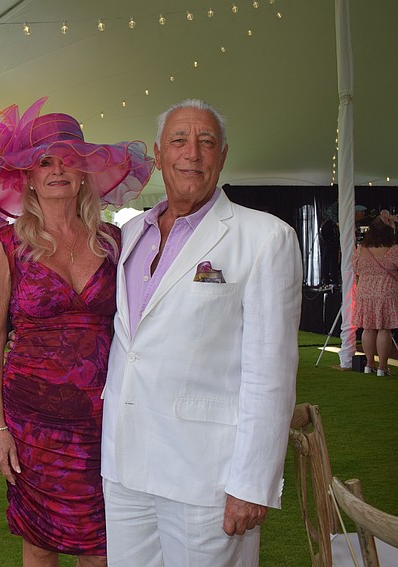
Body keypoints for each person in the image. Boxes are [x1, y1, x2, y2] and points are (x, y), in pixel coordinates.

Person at [101, 99, 302, 566]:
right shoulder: (128, 236)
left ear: (223, 156)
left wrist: (251, 482)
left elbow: (270, 373)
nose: (192, 152)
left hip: (206, 479)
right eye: (179, 140)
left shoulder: (265, 238)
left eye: (206, 141)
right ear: (158, 154)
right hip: (125, 468)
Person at [0, 97, 154, 566]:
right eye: (44, 162)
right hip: (32, 424)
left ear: (84, 172)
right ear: (27, 174)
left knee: (100, 541)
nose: (57, 171)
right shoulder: (6, 245)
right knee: (40, 542)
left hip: (102, 419)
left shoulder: (113, 241)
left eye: (69, 161)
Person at [352, 210, 398, 376]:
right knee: (384, 329)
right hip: (386, 292)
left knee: (368, 328)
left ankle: (369, 364)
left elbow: (356, 268)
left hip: (365, 292)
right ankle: (382, 367)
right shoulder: (393, 250)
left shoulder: (361, 249)